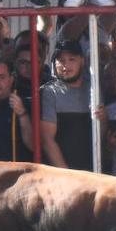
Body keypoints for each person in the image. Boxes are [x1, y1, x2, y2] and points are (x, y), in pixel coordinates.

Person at [39, 39, 96, 171]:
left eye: (72, 59)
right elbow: (47, 140)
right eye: (61, 60)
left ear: (82, 61)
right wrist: (67, 175)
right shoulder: (49, 91)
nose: (66, 65)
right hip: (62, 176)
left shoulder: (94, 88)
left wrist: (103, 118)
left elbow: (101, 134)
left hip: (94, 171)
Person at [0, 57, 34, 161]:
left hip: (15, 174)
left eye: (2, 77)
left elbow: (33, 146)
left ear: (11, 79)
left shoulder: (25, 105)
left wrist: (22, 114)